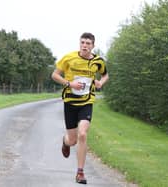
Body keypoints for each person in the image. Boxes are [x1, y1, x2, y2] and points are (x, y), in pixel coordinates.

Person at [51, 32, 109, 184]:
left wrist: (100, 83)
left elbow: (105, 75)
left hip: (86, 102)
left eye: (88, 43)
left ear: (93, 46)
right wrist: (69, 84)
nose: (84, 46)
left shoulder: (98, 61)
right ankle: (65, 142)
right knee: (72, 140)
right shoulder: (69, 58)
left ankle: (80, 173)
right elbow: (55, 75)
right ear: (80, 43)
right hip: (70, 102)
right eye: (82, 42)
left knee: (82, 134)